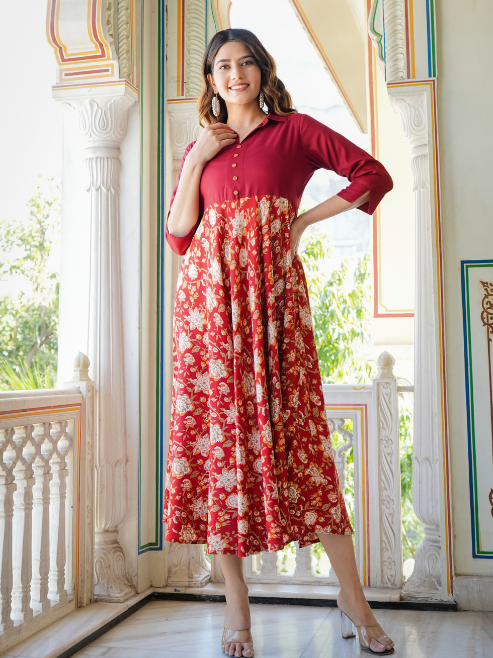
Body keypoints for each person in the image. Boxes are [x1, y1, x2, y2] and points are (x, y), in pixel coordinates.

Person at [163, 28, 395, 658]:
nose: (235, 74)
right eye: (222, 66)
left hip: (272, 308)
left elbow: (372, 174)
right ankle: (236, 603)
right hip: (210, 314)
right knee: (220, 450)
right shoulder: (203, 144)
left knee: (304, 446)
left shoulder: (295, 131)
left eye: (246, 63)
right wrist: (195, 160)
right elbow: (179, 235)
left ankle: (354, 599)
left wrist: (302, 221)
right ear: (211, 79)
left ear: (263, 71)